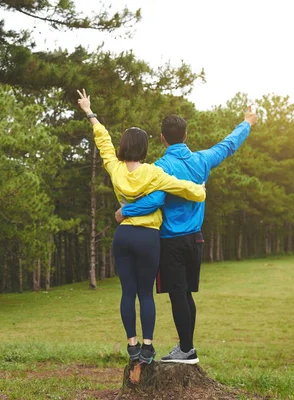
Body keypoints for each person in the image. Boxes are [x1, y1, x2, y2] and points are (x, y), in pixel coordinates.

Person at [115, 108, 258, 364]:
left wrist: (126, 211)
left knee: (178, 295)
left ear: (162, 138)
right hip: (196, 240)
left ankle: (187, 351)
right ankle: (186, 346)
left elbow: (156, 199)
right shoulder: (202, 159)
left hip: (171, 241)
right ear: (186, 135)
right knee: (186, 294)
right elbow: (228, 145)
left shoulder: (159, 168)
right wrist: (246, 122)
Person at [76, 89, 206, 364]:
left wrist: (90, 113)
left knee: (127, 292)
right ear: (146, 148)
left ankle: (132, 345)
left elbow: (103, 141)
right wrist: (200, 190)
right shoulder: (154, 173)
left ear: (123, 148)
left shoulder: (115, 168)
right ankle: (148, 348)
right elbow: (183, 189)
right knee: (146, 293)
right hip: (148, 237)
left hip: (123, 236)